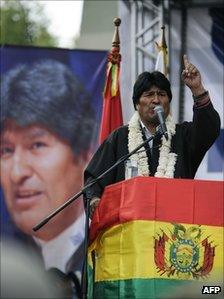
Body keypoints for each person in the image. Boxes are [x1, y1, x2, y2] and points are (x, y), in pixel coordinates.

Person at [0, 59, 96, 298]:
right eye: (6, 150)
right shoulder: (8, 257)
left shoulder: (106, 249)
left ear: (84, 155)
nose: (17, 172)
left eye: (37, 145)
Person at [84, 55, 220, 216]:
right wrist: (94, 199)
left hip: (174, 230)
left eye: (162, 94)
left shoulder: (183, 136)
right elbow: (94, 180)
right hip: (130, 230)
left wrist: (197, 89)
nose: (156, 100)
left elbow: (209, 129)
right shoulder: (120, 138)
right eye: (148, 94)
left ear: (168, 101)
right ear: (137, 103)